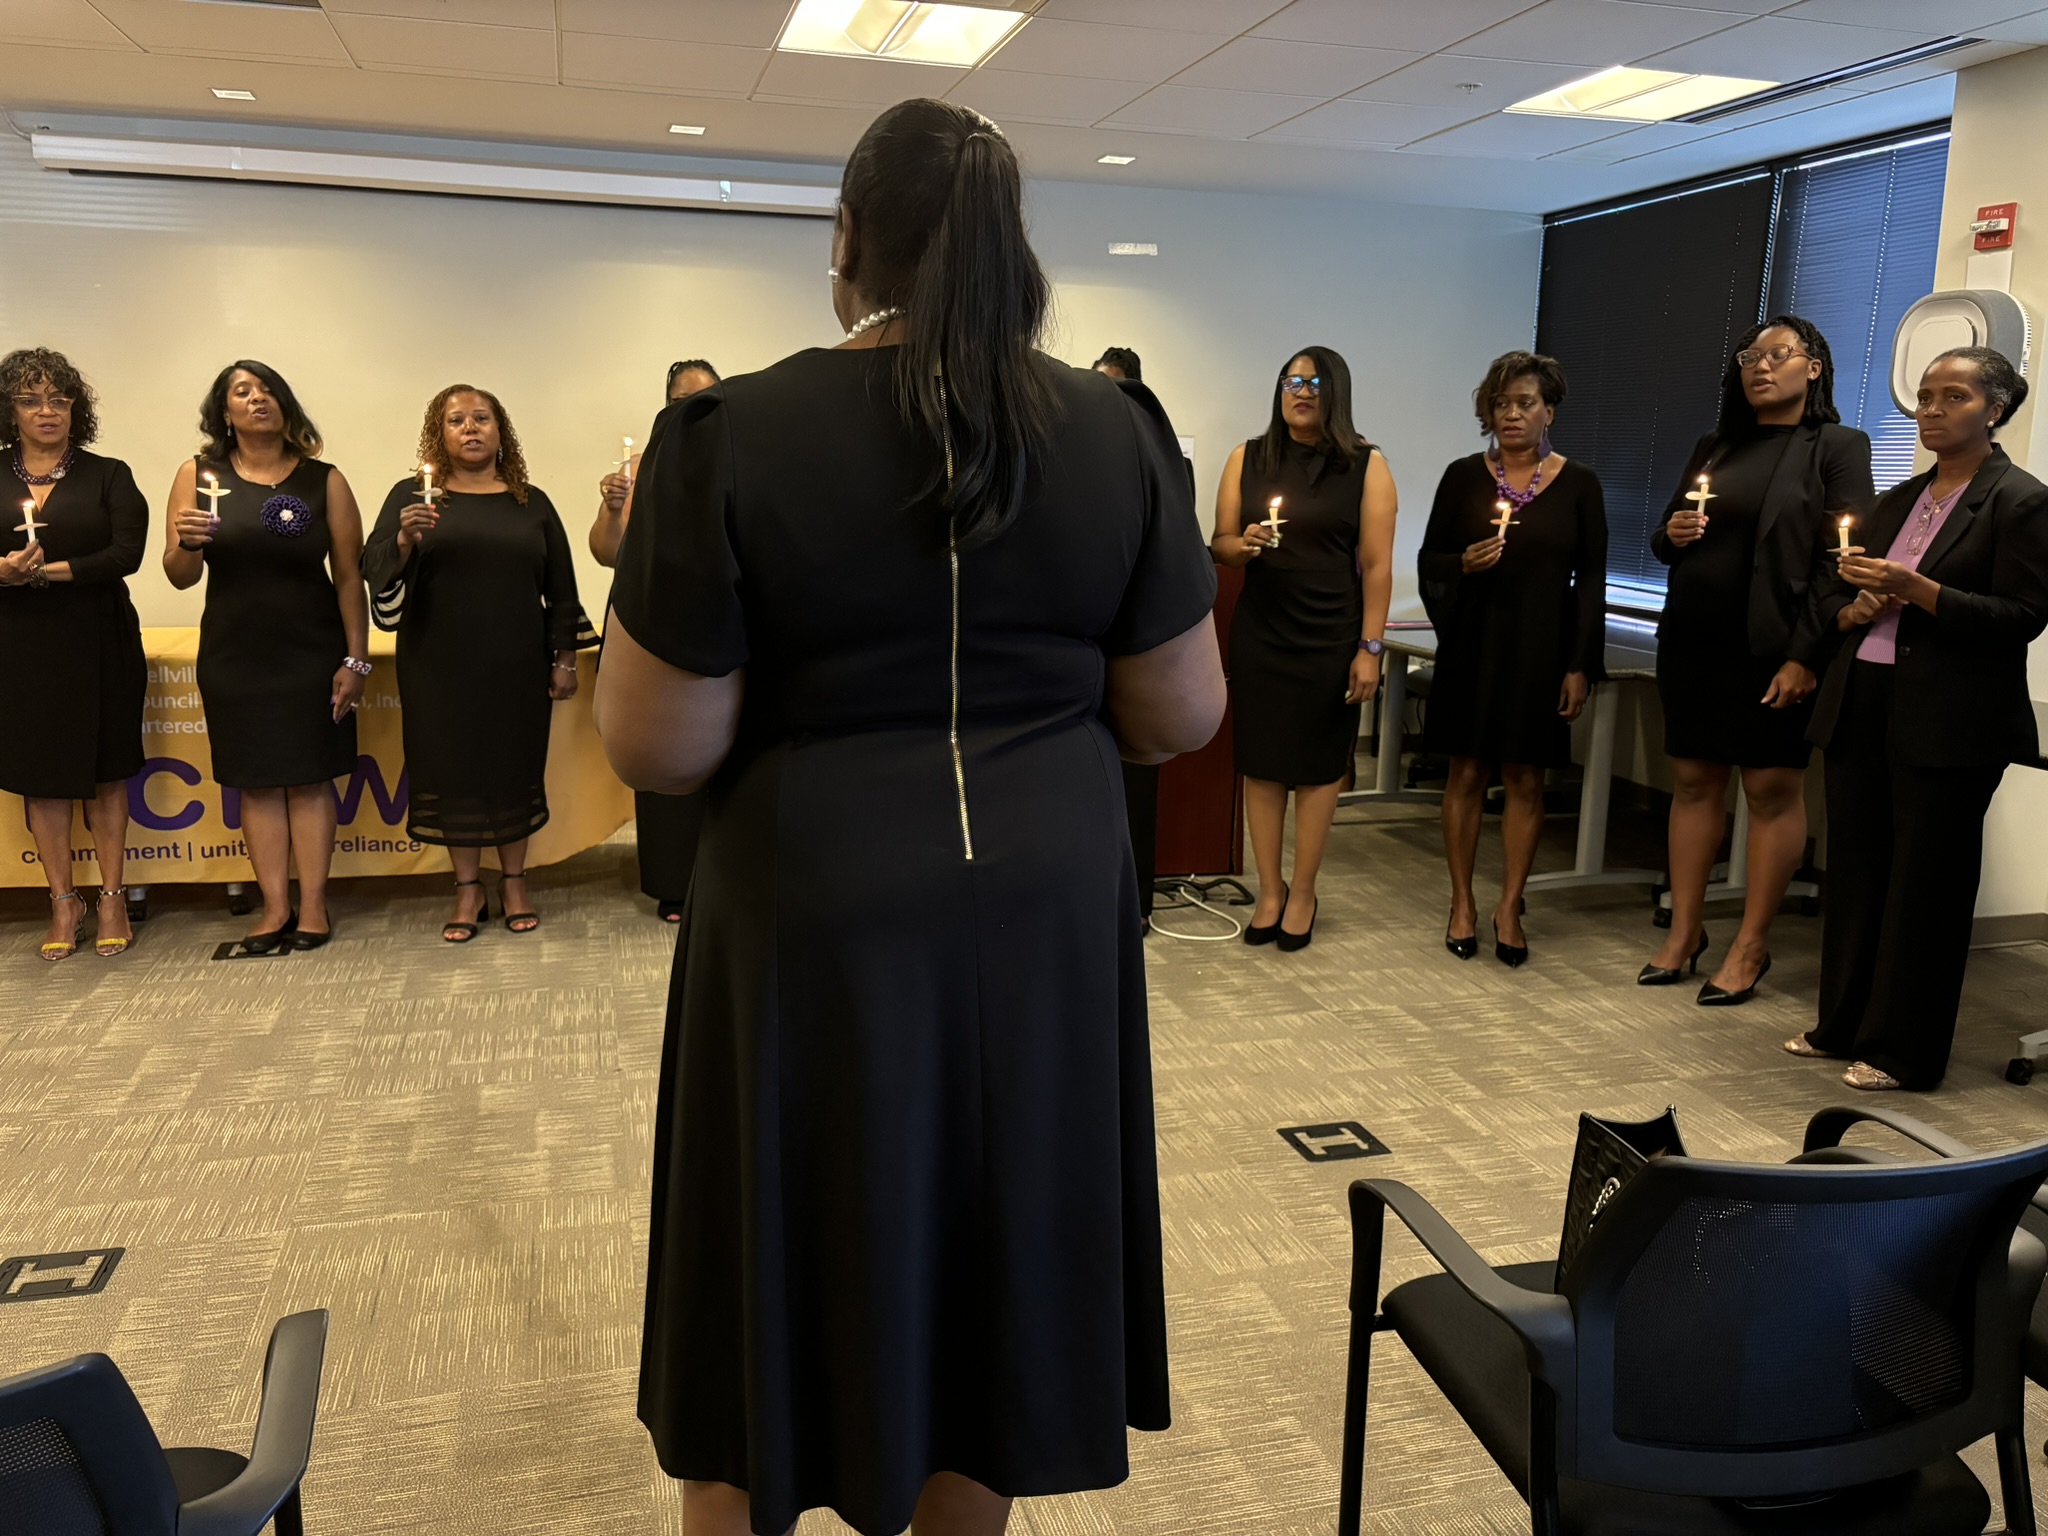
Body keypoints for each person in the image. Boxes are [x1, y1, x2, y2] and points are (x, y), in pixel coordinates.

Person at [599, 98, 1224, 1536]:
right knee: (988, 1258)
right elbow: (1178, 716)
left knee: (782, 1242)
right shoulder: (1121, 430)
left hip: (815, 904)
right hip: (1043, 910)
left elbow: (656, 740)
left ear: (848, 244)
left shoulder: (725, 433)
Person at [1789, 348, 2048, 1091]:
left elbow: (2023, 618)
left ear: (1994, 409)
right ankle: (1840, 1024)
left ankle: (1904, 1051)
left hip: (1952, 717)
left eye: (1954, 396)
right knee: (1859, 871)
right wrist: (1859, 604)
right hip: (1865, 700)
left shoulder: (2021, 500)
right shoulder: (1899, 499)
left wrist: (1921, 591)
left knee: (1924, 887)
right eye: (1925, 396)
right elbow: (1849, 602)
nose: (1932, 409)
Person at [1641, 316, 1873, 1001]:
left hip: (1774, 647)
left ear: (1815, 368)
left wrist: (1807, 655)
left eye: (1779, 354)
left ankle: (1750, 946)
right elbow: (1663, 539)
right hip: (1695, 641)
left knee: (1770, 790)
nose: (1761, 366)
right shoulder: (1715, 445)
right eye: (1750, 356)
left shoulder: (1836, 446)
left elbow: (1842, 563)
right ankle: (1685, 932)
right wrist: (1673, 532)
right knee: (1692, 783)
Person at [363, 385, 597, 942]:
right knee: (453, 775)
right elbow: (372, 567)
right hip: (437, 669)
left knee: (513, 772)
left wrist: (564, 659)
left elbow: (560, 585)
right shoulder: (413, 496)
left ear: (500, 431)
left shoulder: (530, 502)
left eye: (482, 418)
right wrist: (403, 537)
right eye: (456, 420)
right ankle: (467, 889)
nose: (470, 428)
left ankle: (514, 881)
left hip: (516, 666)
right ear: (438, 434)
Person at [163, 361, 370, 951]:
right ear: (223, 413)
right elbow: (178, 575)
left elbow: (349, 578)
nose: (258, 400)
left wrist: (355, 660)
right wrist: (189, 543)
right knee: (256, 784)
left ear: (286, 405)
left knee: (308, 782)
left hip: (310, 650)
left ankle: (312, 908)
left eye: (268, 390)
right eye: (242, 392)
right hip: (235, 654)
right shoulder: (199, 474)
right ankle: (273, 907)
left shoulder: (323, 479)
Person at [1418, 351, 1606, 966]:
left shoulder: (1579, 484)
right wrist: (1460, 566)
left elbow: (1592, 583)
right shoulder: (1460, 476)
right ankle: (1463, 902)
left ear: (1549, 409)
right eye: (1501, 403)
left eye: (1525, 403)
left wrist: (1580, 665)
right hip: (1474, 647)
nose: (1512, 414)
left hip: (1541, 653)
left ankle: (1509, 905)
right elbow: (1430, 564)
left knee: (1526, 777)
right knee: (1466, 773)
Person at [1211, 347, 1396, 951]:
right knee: (1262, 766)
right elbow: (1220, 546)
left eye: (1314, 382)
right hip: (1264, 632)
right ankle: (1269, 889)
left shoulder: (1367, 466)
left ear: (1334, 391)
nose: (1301, 391)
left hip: (1331, 637)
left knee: (1319, 770)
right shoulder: (1248, 456)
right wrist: (1246, 543)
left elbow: (1375, 566)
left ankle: (1305, 890)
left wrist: (1370, 647)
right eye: (1291, 381)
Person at [0, 348, 148, 960]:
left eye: (59, 399)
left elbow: (126, 555)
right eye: (31, 400)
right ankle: (63, 901)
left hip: (99, 637)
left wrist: (46, 573)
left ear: (74, 409)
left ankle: (112, 894)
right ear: (10, 411)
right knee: (44, 776)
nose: (47, 411)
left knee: (107, 770)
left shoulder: (108, 473)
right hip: (20, 645)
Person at [591, 358, 721, 922]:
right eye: (679, 398)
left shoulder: (741, 450)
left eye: (705, 396)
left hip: (719, 614)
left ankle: (721, 878)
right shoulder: (638, 466)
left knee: (721, 755)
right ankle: (673, 882)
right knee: (666, 753)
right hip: (651, 618)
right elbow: (609, 552)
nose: (691, 407)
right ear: (664, 405)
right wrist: (614, 508)